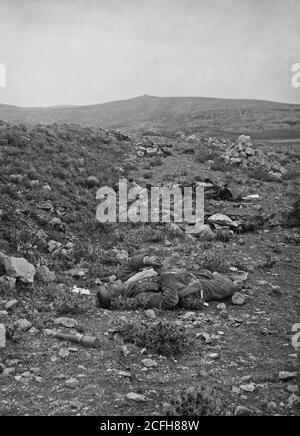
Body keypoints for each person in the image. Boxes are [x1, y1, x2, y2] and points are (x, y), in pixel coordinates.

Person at [96, 252, 241, 310]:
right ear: (117, 298)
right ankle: (234, 286)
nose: (109, 283)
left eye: (106, 284)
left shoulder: (124, 278)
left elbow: (130, 263)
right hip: (194, 288)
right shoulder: (140, 297)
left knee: (210, 273)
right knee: (229, 286)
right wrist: (163, 274)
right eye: (108, 288)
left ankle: (219, 276)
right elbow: (169, 301)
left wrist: (147, 260)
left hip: (186, 274)